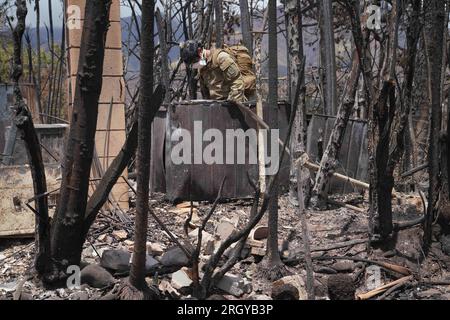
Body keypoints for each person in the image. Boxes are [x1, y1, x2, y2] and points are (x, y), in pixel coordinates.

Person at [180, 41, 250, 103]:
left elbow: (237, 82)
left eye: (194, 62)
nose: (194, 65)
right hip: (217, 107)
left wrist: (233, 105)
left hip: (231, 104)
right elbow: (205, 93)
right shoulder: (202, 67)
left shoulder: (221, 58)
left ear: (199, 51)